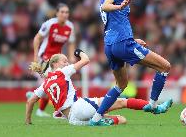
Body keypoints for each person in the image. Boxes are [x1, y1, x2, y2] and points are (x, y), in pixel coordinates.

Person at [88, 0, 172, 126]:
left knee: (121, 84)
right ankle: (153, 106)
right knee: (165, 66)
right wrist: (119, 6)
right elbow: (106, 7)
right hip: (122, 44)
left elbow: (112, 20)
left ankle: (95, 119)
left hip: (110, 46)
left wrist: (133, 40)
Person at [25, 50, 173, 126]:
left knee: (122, 120)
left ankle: (98, 121)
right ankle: (156, 108)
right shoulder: (62, 72)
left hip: (73, 120)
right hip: (79, 108)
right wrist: (79, 52)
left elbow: (31, 101)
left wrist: (28, 121)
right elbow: (86, 60)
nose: (67, 63)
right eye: (64, 61)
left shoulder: (45, 84)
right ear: (55, 64)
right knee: (121, 101)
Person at [27, 3, 76, 117]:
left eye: (67, 12)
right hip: (44, 58)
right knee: (53, 83)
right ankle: (56, 111)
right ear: (57, 13)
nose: (64, 14)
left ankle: (34, 99)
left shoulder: (70, 26)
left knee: (50, 84)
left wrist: (71, 56)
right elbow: (37, 38)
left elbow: (71, 42)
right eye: (62, 12)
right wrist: (35, 58)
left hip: (57, 60)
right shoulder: (49, 24)